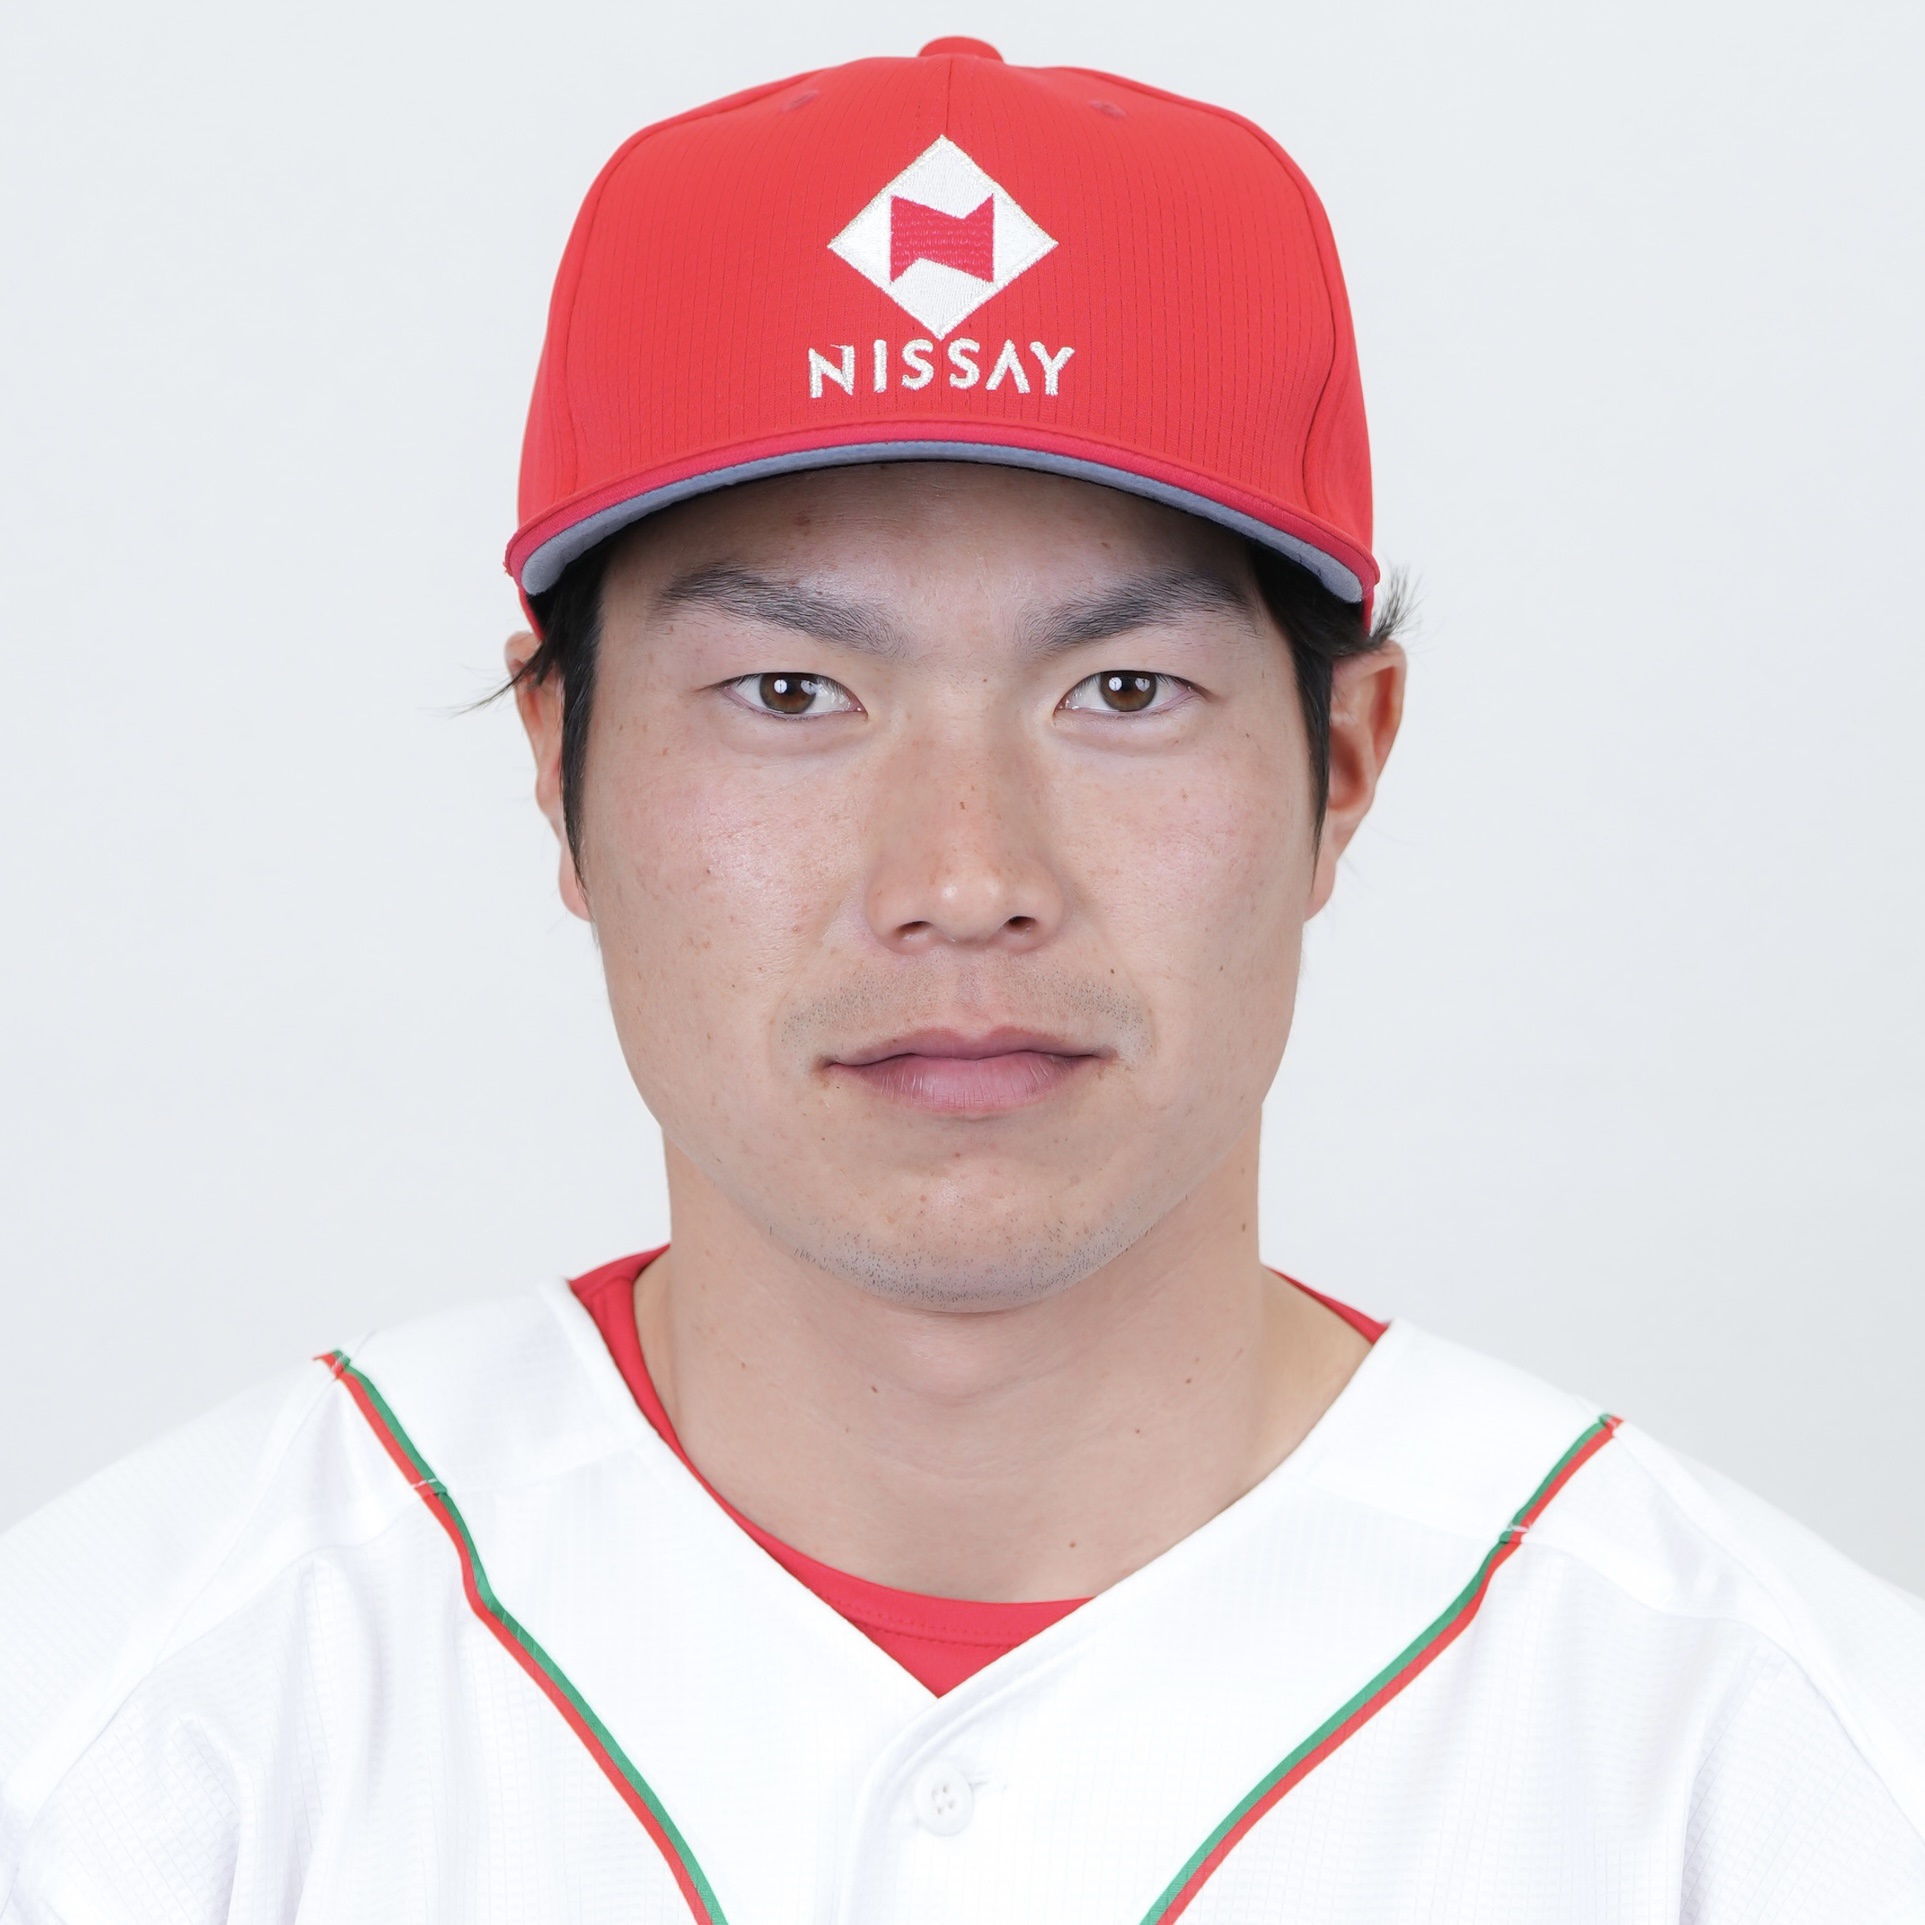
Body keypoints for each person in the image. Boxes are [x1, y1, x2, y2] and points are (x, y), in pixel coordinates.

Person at [2, 36, 1921, 1924]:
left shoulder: (1781, 1778)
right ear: (555, 760)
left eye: (1122, 691)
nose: (964, 880)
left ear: (1343, 764)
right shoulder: (125, 1738)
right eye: (788, 693)